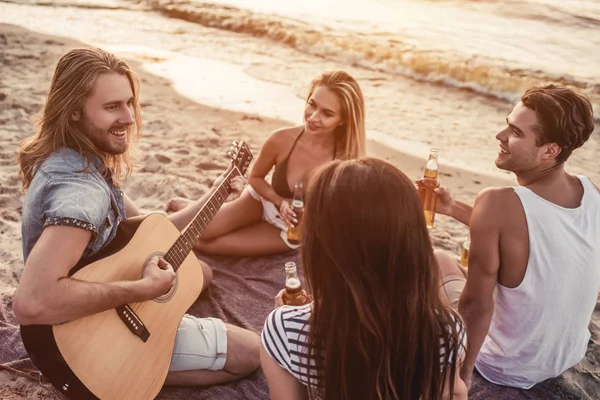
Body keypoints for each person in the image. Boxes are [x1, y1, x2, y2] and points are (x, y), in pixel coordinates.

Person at [12, 47, 260, 388]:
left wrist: (215, 193)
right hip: (86, 342)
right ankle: (133, 376)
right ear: (73, 112)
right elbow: (31, 303)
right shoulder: (82, 193)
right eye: (112, 106)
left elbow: (150, 229)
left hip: (69, 328)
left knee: (198, 272)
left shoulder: (76, 157)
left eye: (129, 103)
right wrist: (142, 289)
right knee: (254, 352)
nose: (129, 117)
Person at [427, 84, 600, 390]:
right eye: (508, 124)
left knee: (439, 260)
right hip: (565, 357)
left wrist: (462, 379)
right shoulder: (590, 193)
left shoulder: (497, 202)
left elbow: (476, 306)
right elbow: (536, 236)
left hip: (504, 368)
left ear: (550, 150)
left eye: (516, 133)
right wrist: (453, 208)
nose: (500, 136)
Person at [261, 158, 468, 400]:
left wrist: (288, 323)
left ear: (319, 248)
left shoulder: (284, 329)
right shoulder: (447, 329)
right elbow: (452, 393)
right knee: (443, 260)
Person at [166, 70, 367, 256]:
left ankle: (192, 208)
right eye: (312, 104)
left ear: (343, 120)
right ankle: (195, 210)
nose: (313, 117)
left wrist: (311, 218)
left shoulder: (346, 162)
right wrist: (279, 201)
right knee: (198, 233)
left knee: (209, 246)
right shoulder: (281, 139)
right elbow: (255, 177)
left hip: (288, 230)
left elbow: (339, 218)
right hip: (260, 202)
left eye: (327, 113)